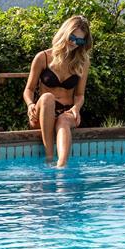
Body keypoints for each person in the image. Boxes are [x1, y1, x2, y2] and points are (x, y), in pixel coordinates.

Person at [23, 15, 92, 167]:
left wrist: (76, 108)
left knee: (63, 119)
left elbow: (80, 94)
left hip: (67, 112)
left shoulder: (82, 61)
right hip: (43, 113)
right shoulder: (43, 57)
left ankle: (61, 166)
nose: (75, 43)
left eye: (80, 41)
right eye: (72, 37)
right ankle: (49, 158)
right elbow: (28, 89)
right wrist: (30, 105)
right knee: (47, 97)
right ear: (65, 33)